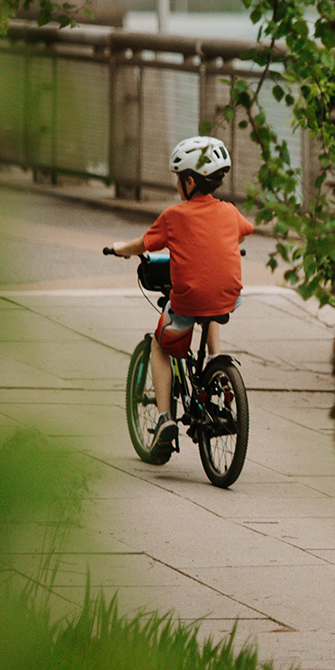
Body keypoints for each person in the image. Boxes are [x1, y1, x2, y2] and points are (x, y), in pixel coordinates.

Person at [109, 135, 255, 455]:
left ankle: (164, 419)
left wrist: (121, 250)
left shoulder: (175, 216)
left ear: (189, 181)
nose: (178, 185)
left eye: (178, 179)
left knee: (159, 344)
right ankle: (215, 360)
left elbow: (143, 245)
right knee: (212, 304)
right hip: (229, 296)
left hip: (189, 298)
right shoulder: (230, 211)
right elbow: (247, 228)